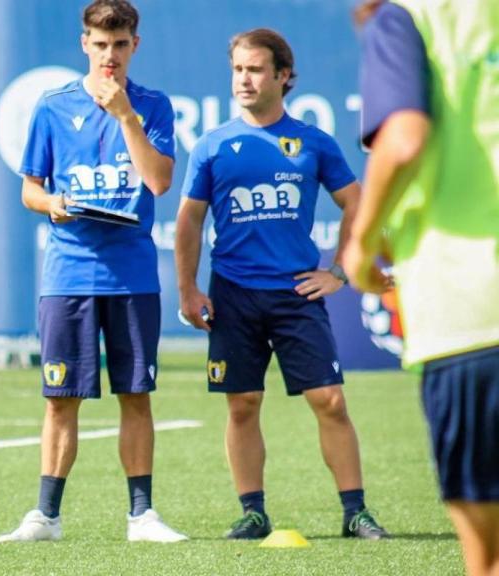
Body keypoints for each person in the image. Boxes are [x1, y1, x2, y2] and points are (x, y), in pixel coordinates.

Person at [175, 28, 389, 541]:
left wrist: (338, 270)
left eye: (254, 69)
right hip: (233, 293)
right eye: (237, 70)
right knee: (242, 404)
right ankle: (252, 512)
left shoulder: (313, 142)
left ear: (283, 76)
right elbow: (188, 223)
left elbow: (357, 204)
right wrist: (188, 290)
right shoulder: (213, 145)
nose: (243, 80)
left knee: (330, 401)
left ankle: (355, 512)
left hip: (297, 294)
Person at [0, 0, 186, 544]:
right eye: (100, 45)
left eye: (120, 45)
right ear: (84, 44)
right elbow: (29, 188)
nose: (110, 56)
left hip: (131, 277)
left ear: (135, 46)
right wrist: (51, 203)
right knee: (60, 399)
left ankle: (142, 516)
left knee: (136, 395)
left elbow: (158, 183)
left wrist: (126, 114)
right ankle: (45, 517)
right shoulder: (52, 107)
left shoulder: (153, 106)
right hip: (68, 276)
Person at [345, 1, 499, 573]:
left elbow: (404, 137)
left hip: (471, 314)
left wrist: (361, 240)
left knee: (486, 558)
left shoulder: (407, 19)